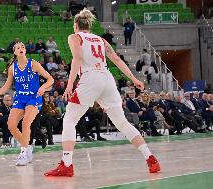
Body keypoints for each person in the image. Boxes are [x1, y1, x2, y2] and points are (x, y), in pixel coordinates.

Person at [44, 9, 160, 177]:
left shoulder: (74, 37)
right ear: (89, 25)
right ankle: (150, 159)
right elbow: (118, 60)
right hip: (107, 79)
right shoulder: (101, 40)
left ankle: (67, 164)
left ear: (76, 25)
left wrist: (70, 84)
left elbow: (76, 59)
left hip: (90, 78)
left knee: (69, 119)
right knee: (122, 123)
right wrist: (134, 79)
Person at [0, 42, 54, 166]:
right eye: (18, 47)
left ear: (25, 50)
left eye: (23, 47)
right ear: (15, 52)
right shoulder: (12, 68)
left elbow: (50, 79)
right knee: (11, 125)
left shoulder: (34, 64)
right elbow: (6, 86)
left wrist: (43, 87)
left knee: (25, 123)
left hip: (34, 98)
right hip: (20, 98)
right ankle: (28, 147)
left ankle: (23, 153)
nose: (21, 48)